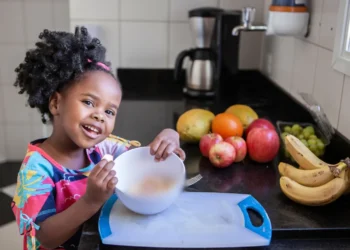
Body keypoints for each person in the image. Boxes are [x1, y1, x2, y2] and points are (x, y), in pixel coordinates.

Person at [11, 26, 186, 250]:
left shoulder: (103, 148)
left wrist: (169, 139)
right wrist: (90, 201)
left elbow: (144, 160)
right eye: (89, 102)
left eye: (109, 111)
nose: (99, 116)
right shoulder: (36, 170)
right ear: (56, 103)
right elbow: (44, 237)